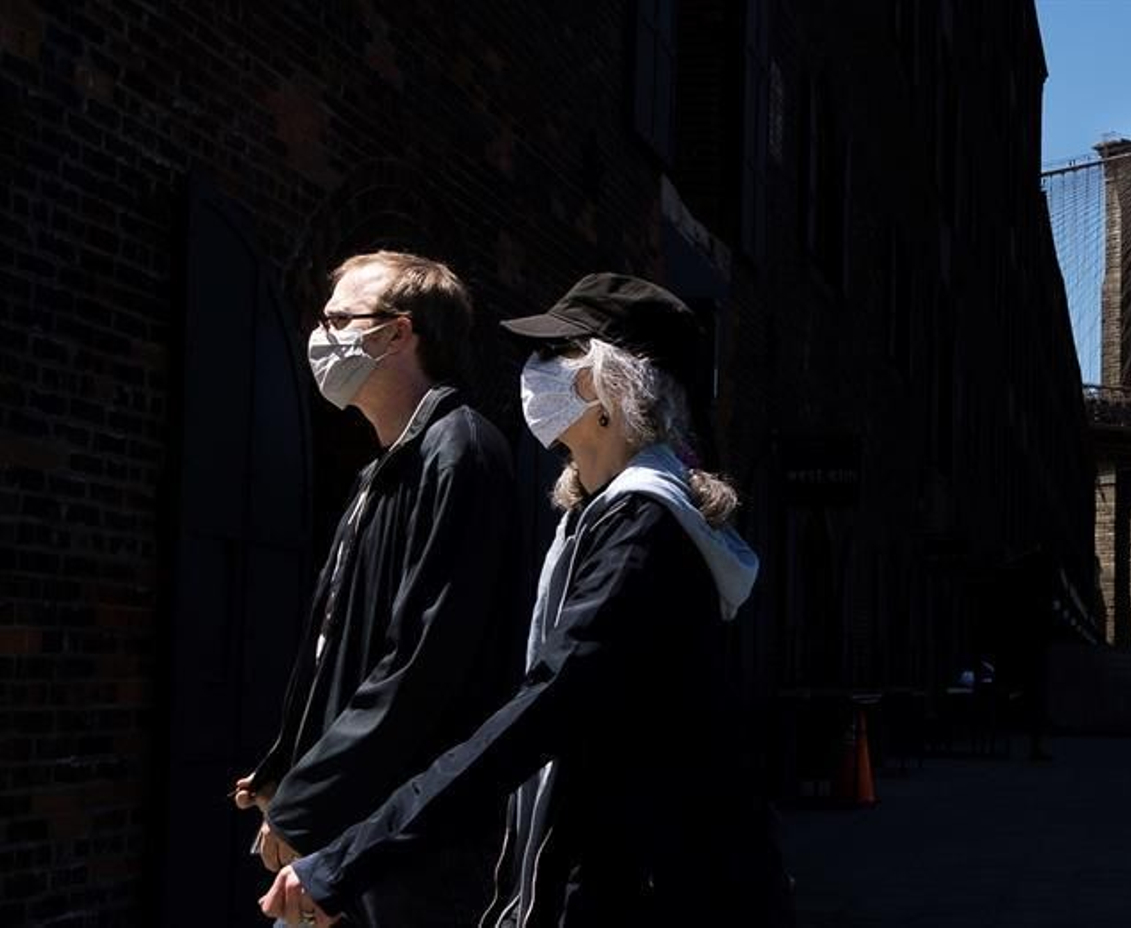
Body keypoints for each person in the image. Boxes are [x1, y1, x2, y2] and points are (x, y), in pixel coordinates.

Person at [260, 273, 793, 927]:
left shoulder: (643, 530)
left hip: (658, 887)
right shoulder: (597, 518)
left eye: (556, 353)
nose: (534, 371)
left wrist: (346, 860)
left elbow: (545, 708)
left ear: (609, 385)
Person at [231, 251, 524, 924]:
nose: (321, 337)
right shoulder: (384, 470)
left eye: (339, 320)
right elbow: (338, 646)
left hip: (409, 840)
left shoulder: (461, 454)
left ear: (398, 333)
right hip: (356, 822)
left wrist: (310, 797)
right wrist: (290, 765)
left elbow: (421, 662)